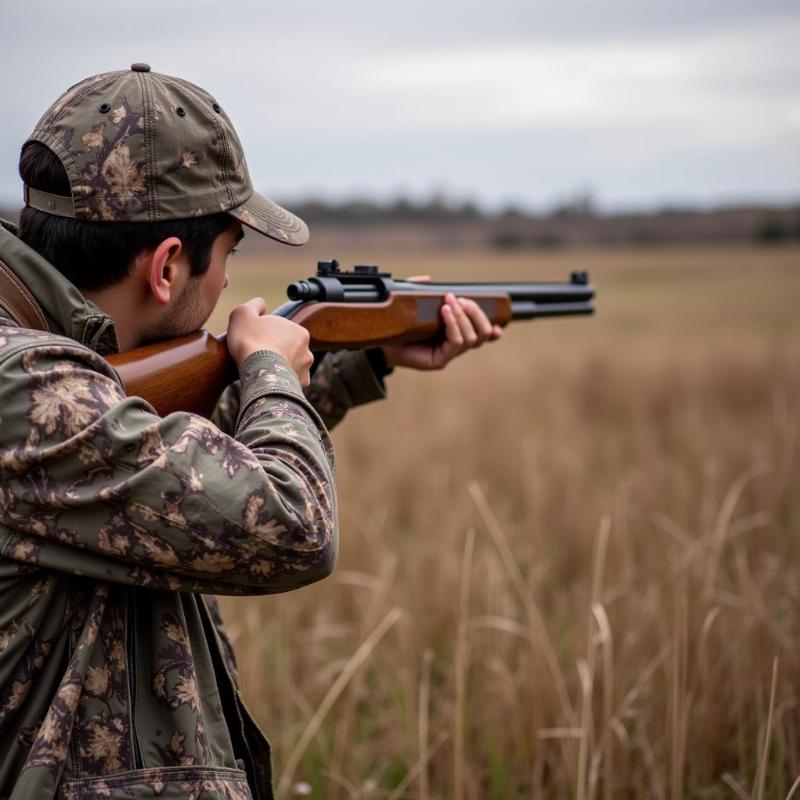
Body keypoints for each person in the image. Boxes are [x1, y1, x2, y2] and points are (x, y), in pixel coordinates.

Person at [0, 65, 500, 800]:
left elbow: (170, 466)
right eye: (231, 253)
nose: (229, 284)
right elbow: (291, 524)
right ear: (168, 265)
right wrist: (269, 364)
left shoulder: (53, 374)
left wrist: (357, 360)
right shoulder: (27, 388)